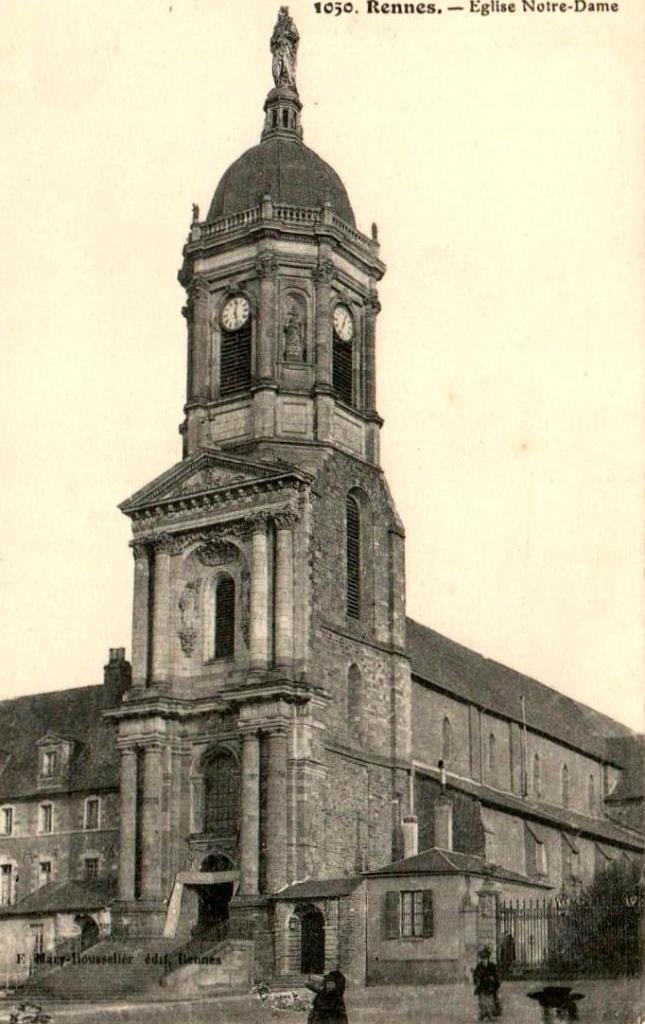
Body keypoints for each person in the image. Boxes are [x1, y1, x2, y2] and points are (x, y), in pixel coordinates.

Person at [472, 947, 502, 1021]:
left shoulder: (492, 966)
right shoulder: (479, 966)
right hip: (482, 986)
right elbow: (476, 976)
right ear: (481, 959)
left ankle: (490, 1014)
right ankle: (483, 1013)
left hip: (490, 986)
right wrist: (477, 981)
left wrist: (494, 980)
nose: (484, 960)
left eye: (485, 958)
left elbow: (496, 976)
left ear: (488, 959)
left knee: (490, 1000)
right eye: (483, 959)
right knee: (482, 1001)